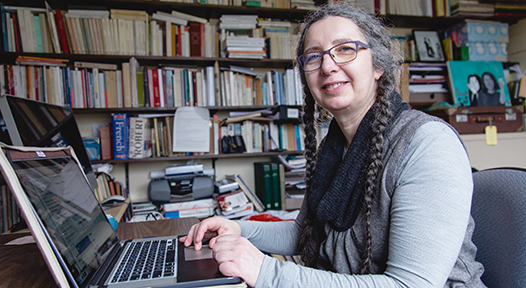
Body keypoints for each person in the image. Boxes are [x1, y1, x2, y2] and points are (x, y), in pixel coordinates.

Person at [180, 4, 486, 287]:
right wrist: (240, 230)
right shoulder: (334, 147)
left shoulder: (428, 145)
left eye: (345, 50)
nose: (328, 66)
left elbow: (411, 285)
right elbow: (305, 233)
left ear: (378, 66)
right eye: (314, 56)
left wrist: (266, 271)